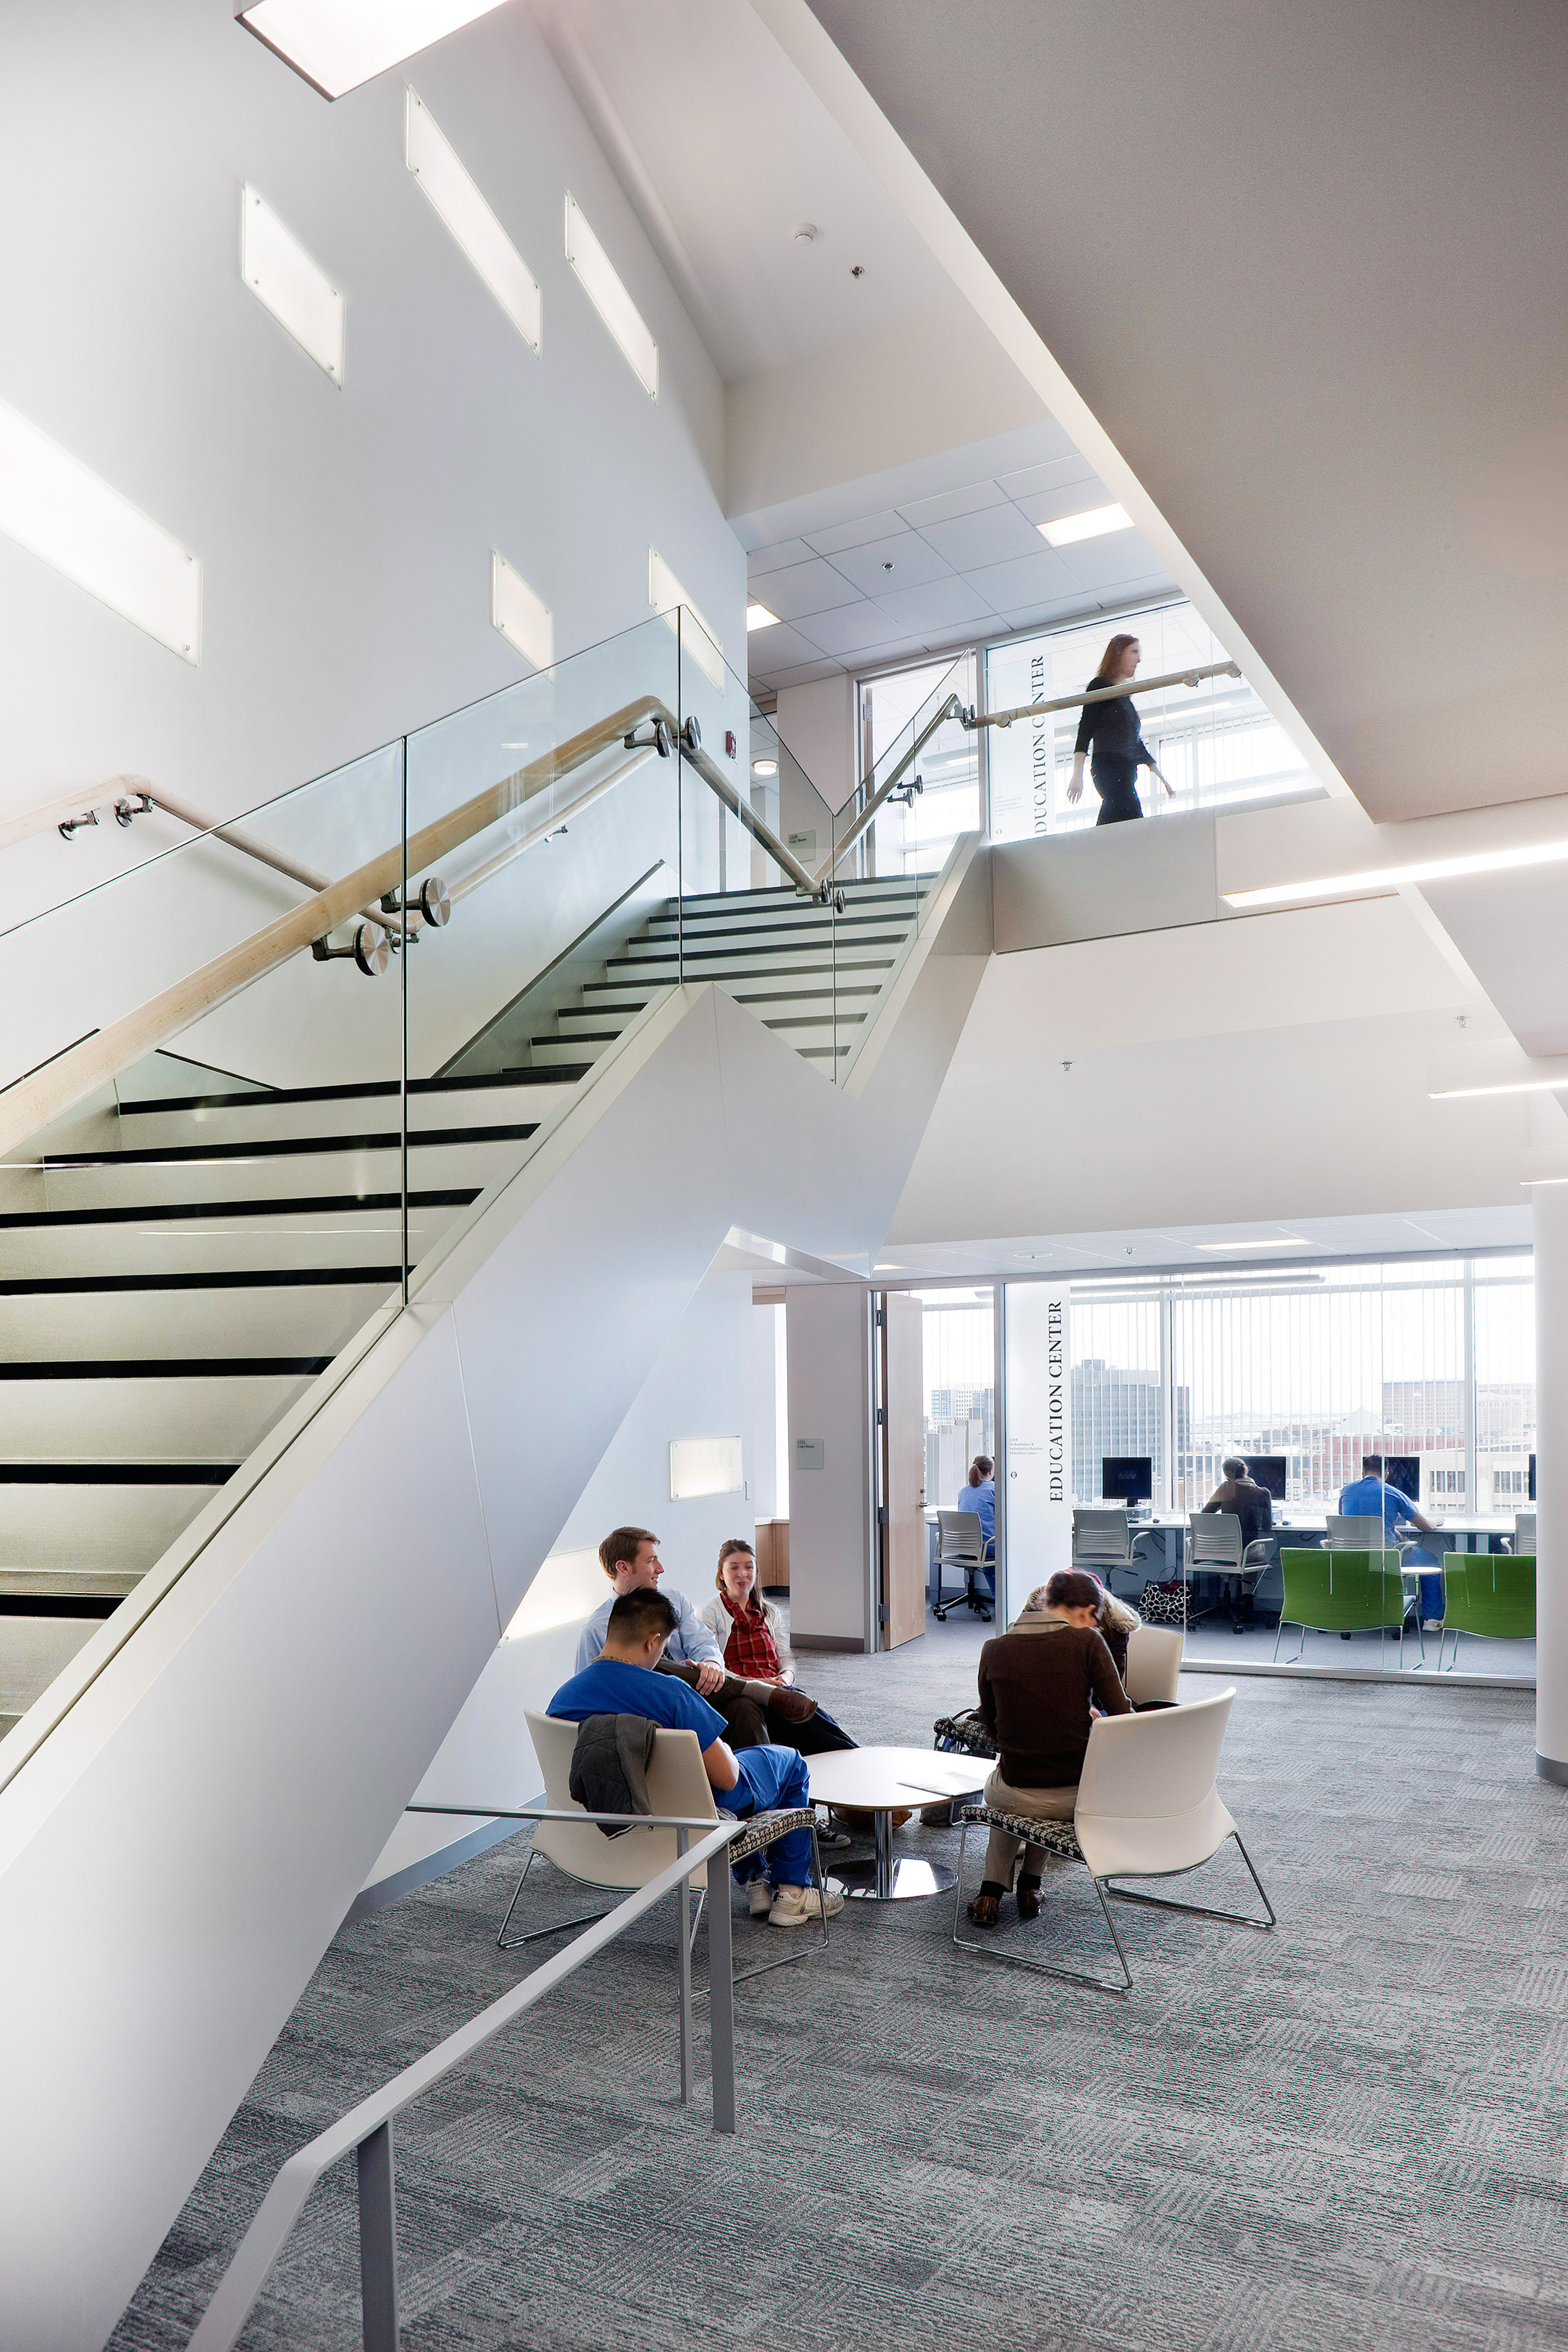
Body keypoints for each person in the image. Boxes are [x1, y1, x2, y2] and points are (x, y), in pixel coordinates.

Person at [549, 1587, 843, 1927]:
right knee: (790, 1763)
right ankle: (792, 1893)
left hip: (602, 1823)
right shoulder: (671, 1693)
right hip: (692, 1819)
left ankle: (756, 1879)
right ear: (652, 1641)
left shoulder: (564, 1698)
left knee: (738, 1762)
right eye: (662, 1647)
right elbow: (728, 1777)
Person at [967, 1567, 1132, 1928]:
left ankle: (989, 1894)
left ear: (1046, 1602)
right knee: (1048, 1776)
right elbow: (1122, 1716)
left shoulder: (993, 1649)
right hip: (1078, 1796)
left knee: (1008, 1780)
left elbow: (991, 1723)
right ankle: (1030, 1885)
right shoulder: (1088, 1642)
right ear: (1087, 1611)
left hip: (1016, 1793)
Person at [574, 1526, 815, 1752]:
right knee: (653, 1668)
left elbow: (704, 1643)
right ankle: (757, 1690)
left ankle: (754, 1788)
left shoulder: (674, 1600)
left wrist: (710, 1663)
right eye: (650, 1561)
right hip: (648, 1712)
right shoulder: (597, 1628)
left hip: (701, 1694)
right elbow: (591, 1690)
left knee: (745, 1707)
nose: (660, 1568)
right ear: (624, 1568)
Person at [695, 1539, 858, 1756]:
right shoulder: (709, 1612)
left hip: (778, 1689)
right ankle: (847, 1756)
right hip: (741, 1690)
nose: (742, 1574)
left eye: (749, 1567)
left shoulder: (770, 1612)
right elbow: (714, 1667)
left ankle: (851, 1755)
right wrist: (760, 1684)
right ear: (722, 1574)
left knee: (812, 1715)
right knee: (796, 1720)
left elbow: (786, 1659)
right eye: (734, 1567)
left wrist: (785, 1679)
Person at [1065, 633, 1174, 826]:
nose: (1138, 659)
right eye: (1133, 652)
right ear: (1118, 654)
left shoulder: (1124, 701)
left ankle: (1098, 847)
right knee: (1128, 812)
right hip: (1109, 766)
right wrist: (1077, 775)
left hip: (1124, 770)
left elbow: (1134, 741)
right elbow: (1085, 730)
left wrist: (1161, 777)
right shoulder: (1100, 687)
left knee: (1120, 813)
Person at [1338, 1456, 1443, 1623]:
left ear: (1363, 1472)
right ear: (1386, 1473)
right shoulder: (1393, 1493)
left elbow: (1348, 1521)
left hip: (1353, 1558)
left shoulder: (1346, 1491)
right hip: (1386, 1557)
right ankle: (1433, 1620)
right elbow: (1426, 1527)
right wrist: (1438, 1520)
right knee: (1431, 1562)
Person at [1015, 1571, 1141, 1685]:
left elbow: (1110, 1689)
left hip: (1092, 1699)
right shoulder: (1035, 1610)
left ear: (1087, 1613)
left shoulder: (1114, 1627)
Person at [1203, 1456, 1274, 1548]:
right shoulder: (1263, 1493)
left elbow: (1206, 1513)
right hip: (1249, 1552)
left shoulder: (1225, 1489)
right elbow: (1267, 1527)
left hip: (1225, 1552)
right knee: (1271, 1549)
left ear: (1229, 1473)